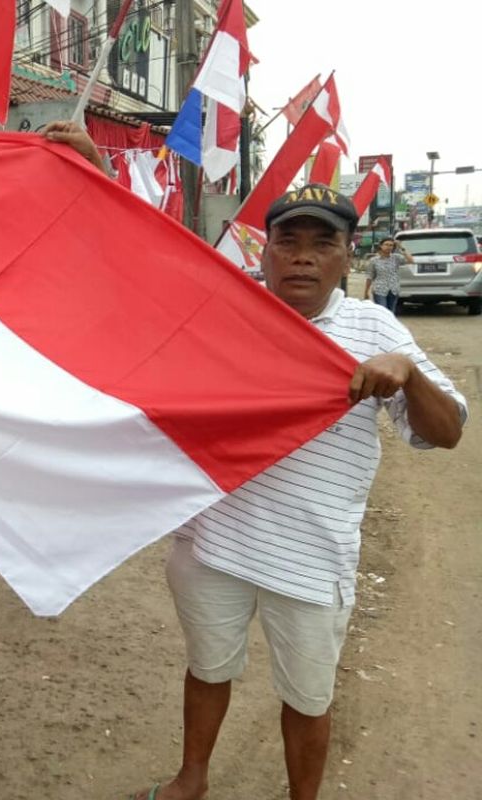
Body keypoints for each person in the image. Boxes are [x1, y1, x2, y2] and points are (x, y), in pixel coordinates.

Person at [129, 185, 467, 800]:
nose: (303, 258)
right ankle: (192, 778)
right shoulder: (224, 309)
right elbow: (143, 275)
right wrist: (92, 173)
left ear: (347, 257)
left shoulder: (374, 328)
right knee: (208, 668)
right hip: (213, 543)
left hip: (312, 559)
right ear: (265, 253)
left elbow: (445, 434)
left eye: (323, 243)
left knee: (308, 697)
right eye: (289, 242)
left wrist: (409, 373)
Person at [363, 236, 414, 312]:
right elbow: (369, 276)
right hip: (379, 290)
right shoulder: (374, 260)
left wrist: (401, 247)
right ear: (381, 246)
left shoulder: (396, 258)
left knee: (391, 312)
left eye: (391, 245)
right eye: (386, 244)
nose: (388, 247)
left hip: (393, 290)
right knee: (382, 311)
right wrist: (366, 291)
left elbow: (411, 260)